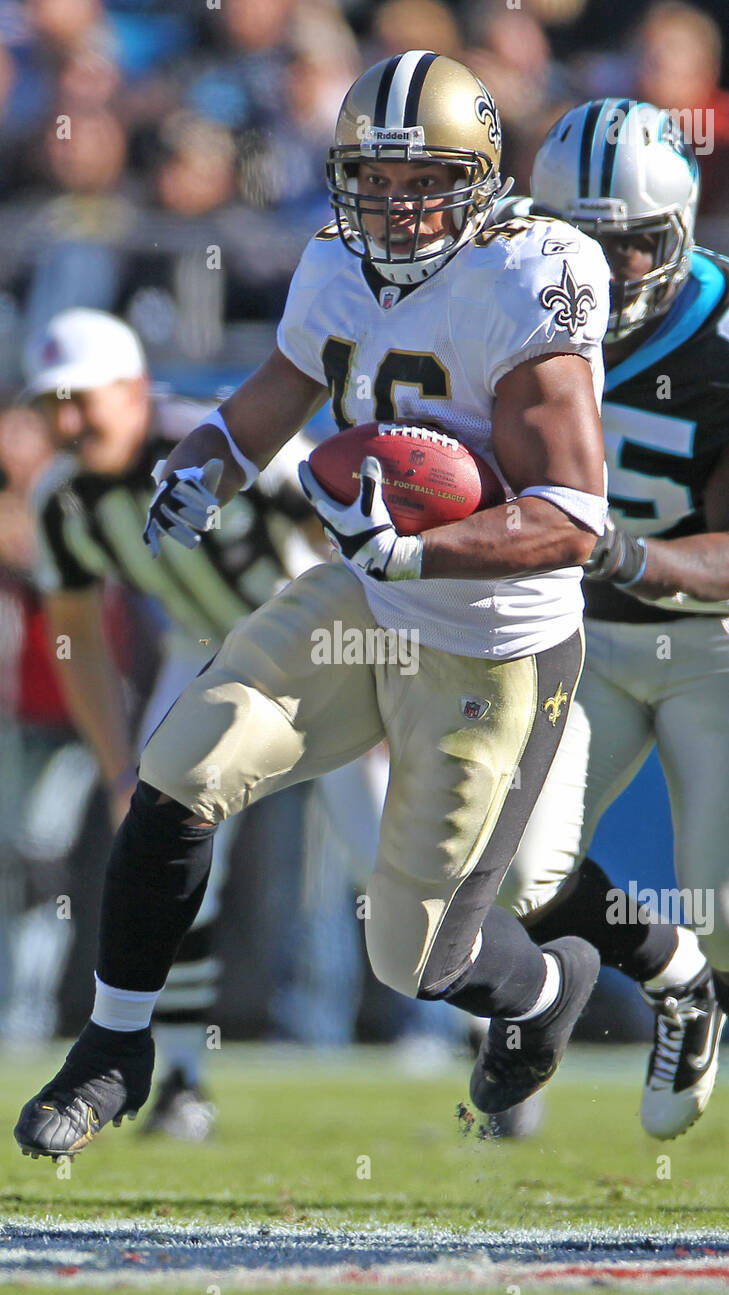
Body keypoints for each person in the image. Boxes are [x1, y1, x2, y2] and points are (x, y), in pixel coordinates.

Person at [14, 50, 612, 1160]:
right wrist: (203, 465)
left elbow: (575, 516)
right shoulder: (333, 264)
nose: (391, 205)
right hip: (362, 598)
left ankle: (545, 990)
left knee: (418, 956)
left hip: (498, 643)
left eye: (419, 178)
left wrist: (416, 550)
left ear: (478, 178)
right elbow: (262, 410)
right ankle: (115, 1047)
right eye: (370, 180)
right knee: (179, 766)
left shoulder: (531, 273)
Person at [21, 306, 316, 1138]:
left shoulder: (216, 440)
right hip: (208, 659)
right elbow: (76, 636)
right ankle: (180, 1076)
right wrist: (117, 763)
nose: (70, 422)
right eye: (53, 405)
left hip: (322, 645)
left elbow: (334, 523)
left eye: (84, 399)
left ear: (134, 388)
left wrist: (384, 661)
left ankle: (496, 1033)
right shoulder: (68, 497)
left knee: (387, 854)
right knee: (166, 854)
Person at [496, 98, 729, 1140]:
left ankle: (704, 977)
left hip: (710, 644)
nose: (610, 267)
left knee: (719, 899)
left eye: (634, 245)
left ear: (677, 234)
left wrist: (633, 552)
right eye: (585, 241)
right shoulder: (504, 306)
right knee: (510, 868)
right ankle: (673, 986)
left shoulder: (719, 339)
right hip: (579, 634)